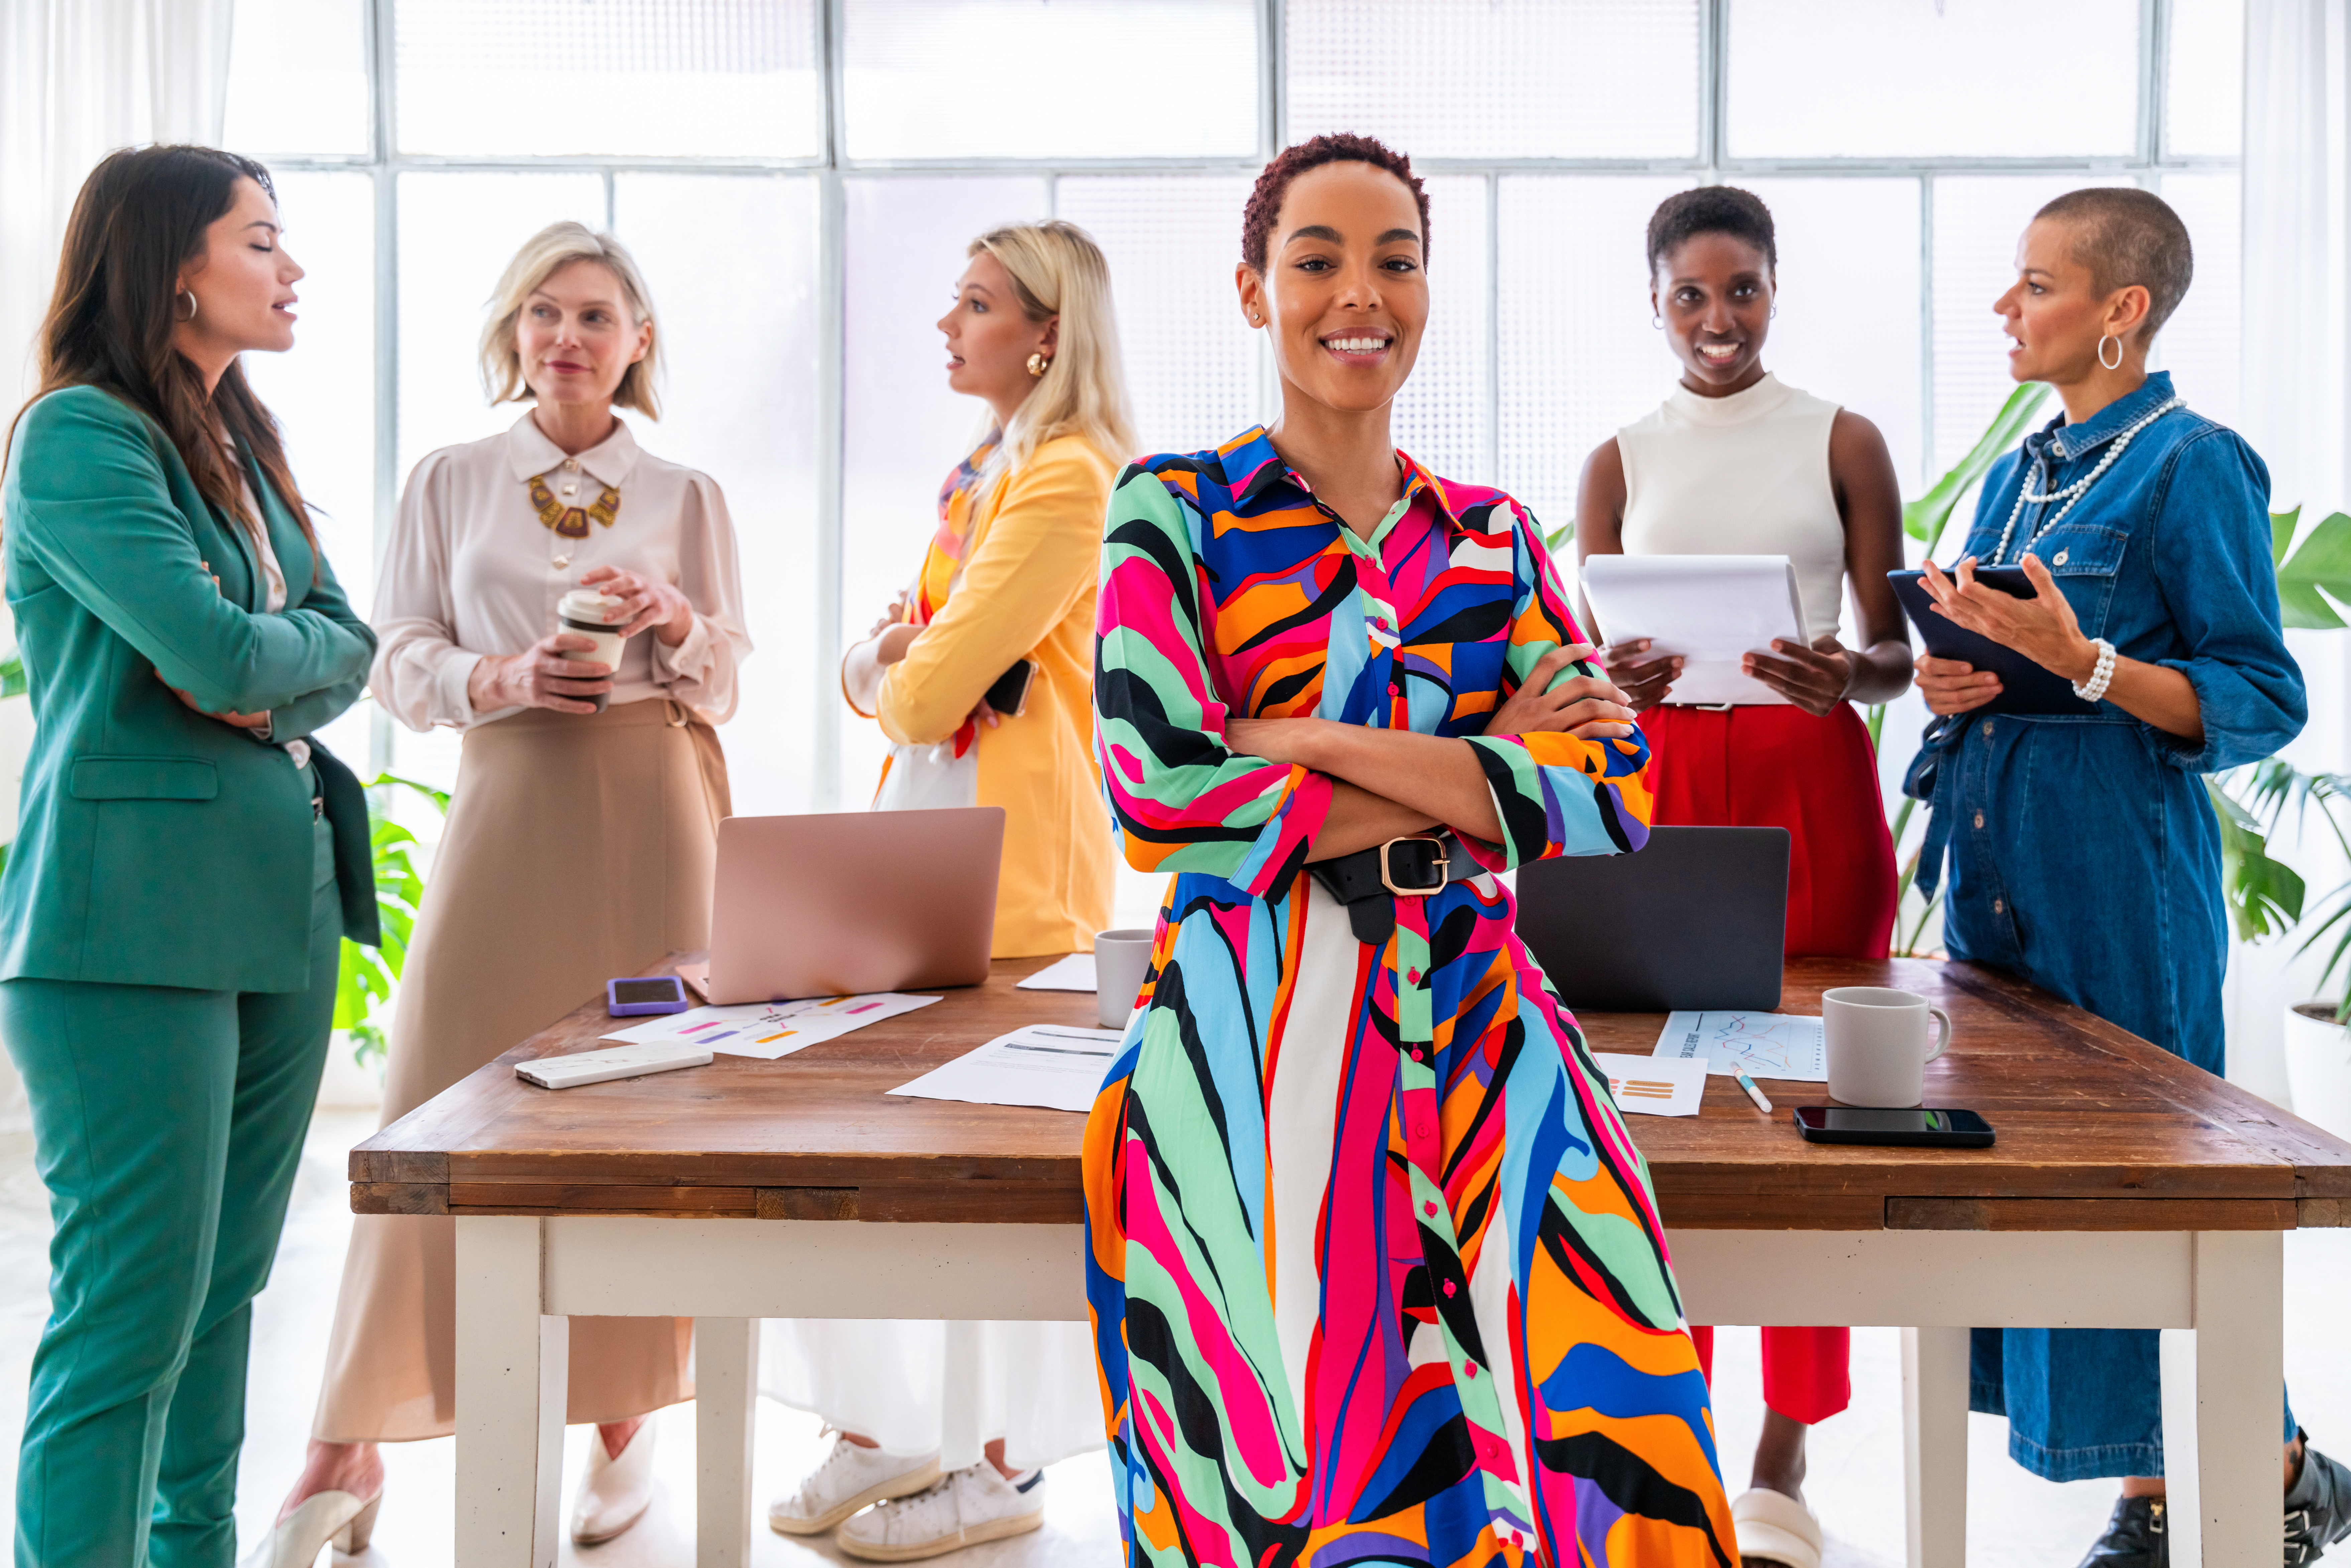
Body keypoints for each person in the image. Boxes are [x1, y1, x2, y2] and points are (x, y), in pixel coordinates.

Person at [1084, 132, 1737, 1568]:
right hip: (1250, 1023)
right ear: (1254, 291)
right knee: (1291, 1448)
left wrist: (1290, 740)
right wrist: (1484, 761)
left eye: (1394, 260)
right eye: (1313, 259)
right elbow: (1154, 799)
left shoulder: (1494, 539)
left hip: (1485, 1009)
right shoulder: (1173, 513)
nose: (1355, 294)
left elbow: (1613, 790)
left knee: (1596, 1408)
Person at [260, 221, 750, 1559]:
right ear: (512, 334)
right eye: (543, 313)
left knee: (656, 1108)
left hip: (657, 814)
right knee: (436, 1106)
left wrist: (676, 624)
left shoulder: (690, 491)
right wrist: (506, 678)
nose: (568, 338)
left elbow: (728, 674)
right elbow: (394, 653)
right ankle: (345, 1438)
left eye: (596, 316)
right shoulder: (450, 478)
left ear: (639, 341)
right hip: (507, 805)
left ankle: (623, 1416)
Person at [1903, 187, 2351, 1567]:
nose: (2004, 307)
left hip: (2114, 884)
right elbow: (1997, 659)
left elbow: (2260, 697)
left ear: (2121, 312)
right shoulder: (2020, 472)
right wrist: (1949, 678)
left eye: (2034, 285)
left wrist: (2090, 667)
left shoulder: (2192, 463)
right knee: (2034, 1192)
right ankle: (2231, 1478)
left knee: (2139, 1193)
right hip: (1992, 872)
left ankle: (2237, 1483)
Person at [0, 145, 378, 1566]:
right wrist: (269, 660)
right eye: (263, 242)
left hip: (274, 915)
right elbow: (213, 647)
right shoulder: (82, 435)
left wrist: (268, 667)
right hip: (127, 931)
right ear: (173, 263)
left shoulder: (239, 435)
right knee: (130, 1317)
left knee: (221, 1307)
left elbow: (344, 641)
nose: (292, 271)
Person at [762, 219, 1134, 1561]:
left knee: (1002, 1170)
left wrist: (886, 664)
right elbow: (919, 673)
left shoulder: (1074, 478)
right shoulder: (992, 468)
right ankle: (890, 1420)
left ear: (1045, 331)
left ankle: (1004, 1461)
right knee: (871, 1144)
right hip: (930, 836)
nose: (944, 324)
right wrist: (898, 663)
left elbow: (921, 684)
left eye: (973, 303)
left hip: (1015, 864)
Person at [1575, 185, 1910, 1568]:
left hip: (1807, 774)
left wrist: (1848, 667)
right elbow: (1578, 644)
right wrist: (1615, 673)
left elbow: (1895, 653)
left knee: (1805, 1099)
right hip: (1657, 785)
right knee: (1664, 1099)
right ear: (1652, 302)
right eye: (1690, 297)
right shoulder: (1615, 455)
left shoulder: (1844, 438)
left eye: (1744, 290)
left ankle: (1786, 1450)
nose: (1718, 321)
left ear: (1776, 289)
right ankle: (1678, 1425)